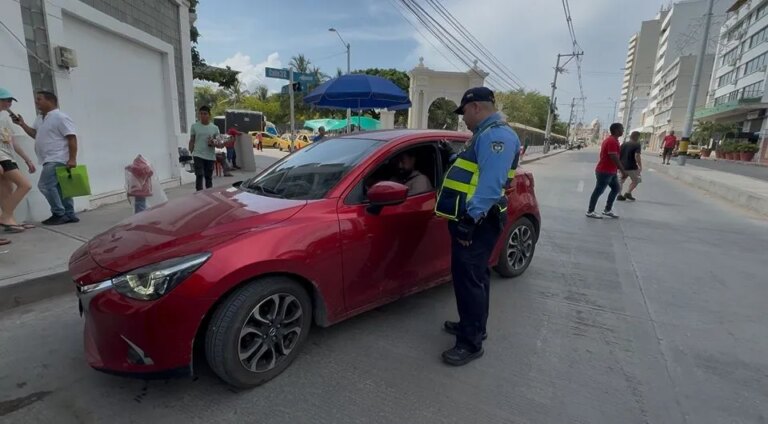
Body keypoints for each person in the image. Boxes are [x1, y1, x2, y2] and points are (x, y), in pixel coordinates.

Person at [434, 87, 520, 366]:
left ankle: (470, 344)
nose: (464, 120)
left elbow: (490, 185)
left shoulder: (496, 135)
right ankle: (473, 327)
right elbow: (475, 172)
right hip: (479, 217)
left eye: (464, 114)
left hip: (479, 220)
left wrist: (469, 221)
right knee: (476, 277)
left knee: (469, 280)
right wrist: (451, 157)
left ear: (476, 108)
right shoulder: (485, 134)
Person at [13, 90, 79, 225]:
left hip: (57, 158)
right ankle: (69, 214)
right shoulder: (40, 118)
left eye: (39, 99)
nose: (36, 102)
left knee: (45, 185)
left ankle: (59, 213)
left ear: (50, 101)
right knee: (61, 187)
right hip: (48, 158)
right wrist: (22, 124)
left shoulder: (60, 117)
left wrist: (72, 158)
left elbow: (71, 137)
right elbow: (35, 134)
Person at [0, 88, 37, 233]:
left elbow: (13, 143)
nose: (9, 103)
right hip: (2, 157)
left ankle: (10, 221)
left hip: (8, 156)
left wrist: (27, 160)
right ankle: (5, 217)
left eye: (10, 100)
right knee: (25, 185)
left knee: (7, 191)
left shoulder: (5, 119)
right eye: (6, 100)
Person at [586, 123, 627, 219]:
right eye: (622, 129)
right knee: (599, 190)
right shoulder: (611, 141)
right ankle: (590, 211)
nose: (623, 131)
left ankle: (607, 210)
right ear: (616, 130)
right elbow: (614, 157)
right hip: (605, 171)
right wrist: (622, 170)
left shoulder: (614, 140)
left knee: (616, 188)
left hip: (611, 172)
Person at [189, 105, 221, 191]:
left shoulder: (215, 128)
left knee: (208, 177)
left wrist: (213, 142)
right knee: (199, 175)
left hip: (210, 156)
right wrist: (190, 153)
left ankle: (209, 193)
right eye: (201, 114)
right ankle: (199, 194)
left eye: (205, 114)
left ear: (209, 115)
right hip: (198, 154)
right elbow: (192, 140)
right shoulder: (194, 126)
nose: (202, 116)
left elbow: (219, 143)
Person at [617, 131, 643, 202]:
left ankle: (619, 195)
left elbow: (619, 155)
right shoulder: (637, 144)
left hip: (622, 166)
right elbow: (637, 156)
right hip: (632, 167)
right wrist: (640, 166)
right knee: (636, 180)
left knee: (621, 181)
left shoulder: (623, 144)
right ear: (636, 137)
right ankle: (628, 193)